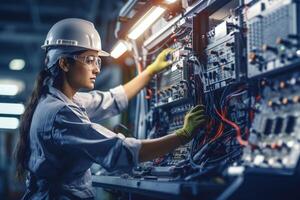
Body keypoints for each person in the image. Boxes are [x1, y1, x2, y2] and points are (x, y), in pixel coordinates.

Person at [15, 18, 206, 199]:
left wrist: (149, 71)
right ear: (64, 63)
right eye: (89, 60)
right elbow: (121, 151)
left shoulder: (58, 101)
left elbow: (110, 99)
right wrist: (183, 135)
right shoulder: (60, 113)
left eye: (97, 61)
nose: (97, 69)